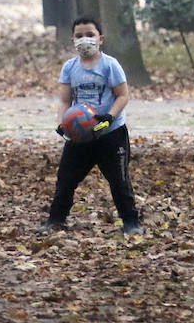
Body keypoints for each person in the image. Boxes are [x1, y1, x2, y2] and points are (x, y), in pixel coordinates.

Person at [42, 15, 142, 235]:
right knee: (65, 179)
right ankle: (55, 220)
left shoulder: (110, 65)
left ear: (101, 39)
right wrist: (63, 122)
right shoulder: (69, 68)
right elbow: (65, 100)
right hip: (80, 135)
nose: (84, 39)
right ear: (72, 40)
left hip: (110, 133)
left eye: (90, 35)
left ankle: (131, 223)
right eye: (79, 36)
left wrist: (109, 116)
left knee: (119, 180)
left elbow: (123, 96)